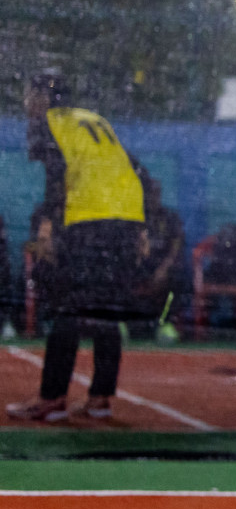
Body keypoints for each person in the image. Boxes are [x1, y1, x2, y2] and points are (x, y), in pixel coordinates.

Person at [7, 72, 147, 423]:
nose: (26, 103)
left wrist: (47, 227)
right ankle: (100, 398)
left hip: (90, 216)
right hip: (126, 215)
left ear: (42, 97)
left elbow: (56, 175)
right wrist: (141, 226)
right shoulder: (93, 119)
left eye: (29, 95)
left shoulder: (48, 123)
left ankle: (52, 398)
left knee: (68, 306)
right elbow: (133, 167)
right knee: (105, 309)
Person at [136, 177, 189, 340]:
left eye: (157, 193)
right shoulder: (137, 216)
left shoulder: (169, 217)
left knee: (182, 279)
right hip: (142, 268)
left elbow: (176, 248)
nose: (154, 196)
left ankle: (166, 323)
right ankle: (130, 324)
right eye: (150, 192)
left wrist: (163, 269)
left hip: (165, 268)